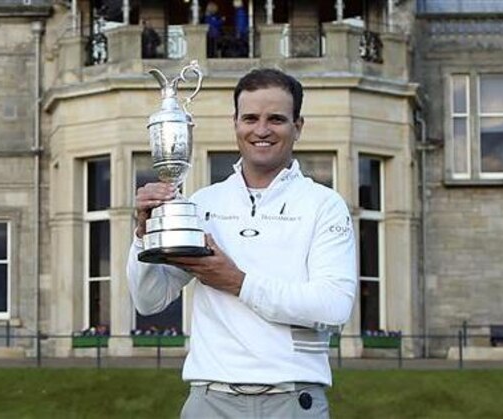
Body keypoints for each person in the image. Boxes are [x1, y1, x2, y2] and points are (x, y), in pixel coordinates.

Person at [128, 69, 357, 418]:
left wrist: (238, 282)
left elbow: (333, 307)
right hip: (210, 401)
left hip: (292, 402)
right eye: (250, 118)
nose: (261, 130)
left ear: (298, 126)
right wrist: (143, 236)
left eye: (276, 119)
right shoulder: (204, 204)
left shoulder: (324, 205)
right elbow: (149, 300)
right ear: (234, 123)